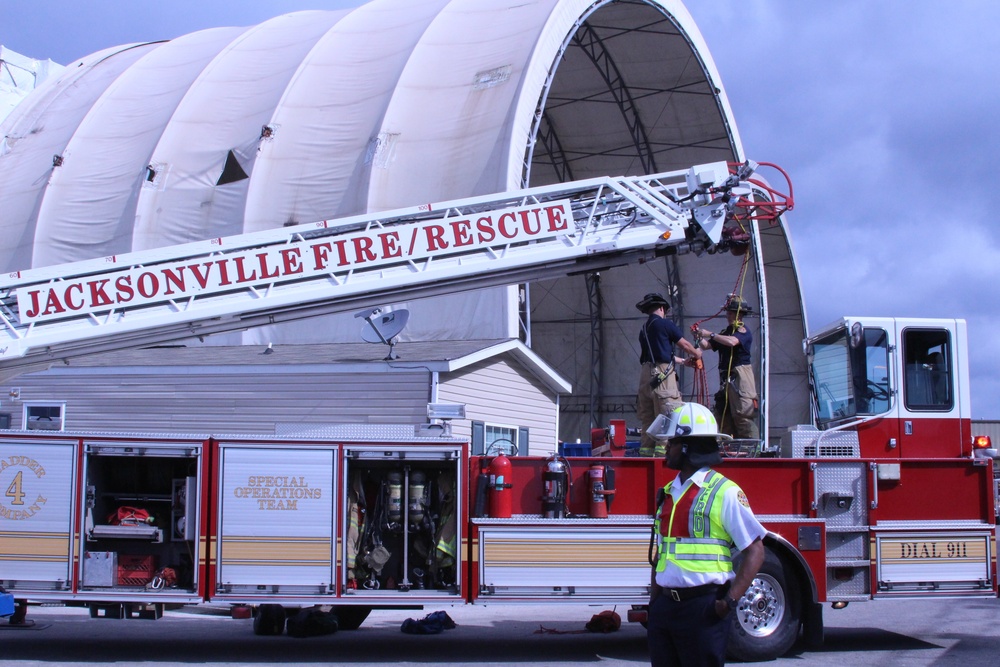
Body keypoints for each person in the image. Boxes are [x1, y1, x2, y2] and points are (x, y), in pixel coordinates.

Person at [646, 402, 766, 667]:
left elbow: (755, 551)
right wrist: (654, 604)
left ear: (688, 447)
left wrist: (728, 603)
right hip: (666, 608)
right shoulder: (668, 492)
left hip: (704, 608)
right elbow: (661, 553)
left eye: (672, 442)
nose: (666, 448)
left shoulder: (725, 492)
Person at [635, 293, 702, 457]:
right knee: (668, 415)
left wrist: (683, 361)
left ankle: (646, 453)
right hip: (663, 378)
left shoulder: (644, 329)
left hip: (646, 376)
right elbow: (685, 344)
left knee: (648, 419)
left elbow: (659, 353)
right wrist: (697, 354)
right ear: (662, 308)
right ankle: (663, 454)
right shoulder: (665, 324)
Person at [696, 295, 759, 440]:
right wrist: (699, 336)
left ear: (739, 314)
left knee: (743, 414)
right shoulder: (725, 333)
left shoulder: (743, 332)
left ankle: (751, 448)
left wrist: (710, 334)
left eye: (730, 312)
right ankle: (728, 446)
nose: (727, 316)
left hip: (740, 376)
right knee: (724, 414)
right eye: (727, 312)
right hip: (726, 379)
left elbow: (732, 342)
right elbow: (707, 345)